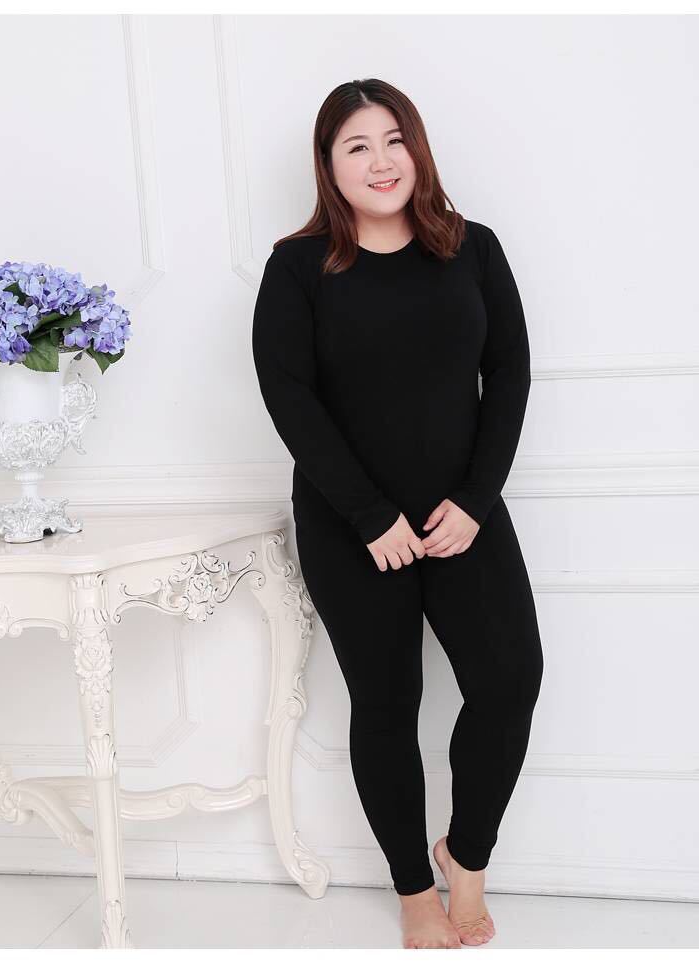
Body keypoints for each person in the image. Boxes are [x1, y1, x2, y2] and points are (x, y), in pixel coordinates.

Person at [251, 78, 544, 950]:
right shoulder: (298, 266)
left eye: (394, 140)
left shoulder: (474, 249)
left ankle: (466, 855)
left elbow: (510, 375)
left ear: (416, 149)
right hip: (352, 526)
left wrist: (477, 500)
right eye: (357, 146)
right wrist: (369, 514)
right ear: (329, 166)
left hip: (463, 516)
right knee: (387, 701)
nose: (381, 161)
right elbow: (289, 395)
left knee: (509, 679)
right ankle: (414, 886)